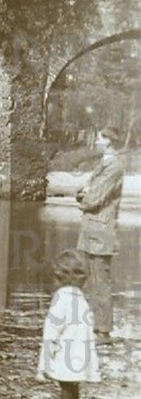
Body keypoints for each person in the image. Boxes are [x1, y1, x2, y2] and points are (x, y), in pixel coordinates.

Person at [36, 249, 100, 399]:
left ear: (58, 277)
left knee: (66, 385)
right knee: (72, 386)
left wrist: (46, 359)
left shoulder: (61, 298)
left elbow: (52, 329)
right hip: (81, 349)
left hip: (68, 350)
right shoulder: (79, 297)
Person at [75, 126, 124, 344]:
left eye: (100, 137)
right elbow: (86, 192)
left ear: (109, 142)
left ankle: (103, 331)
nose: (96, 140)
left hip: (101, 231)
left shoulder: (113, 167)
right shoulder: (105, 164)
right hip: (93, 229)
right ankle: (91, 326)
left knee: (101, 280)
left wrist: (84, 198)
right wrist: (83, 195)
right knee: (86, 276)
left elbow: (95, 197)